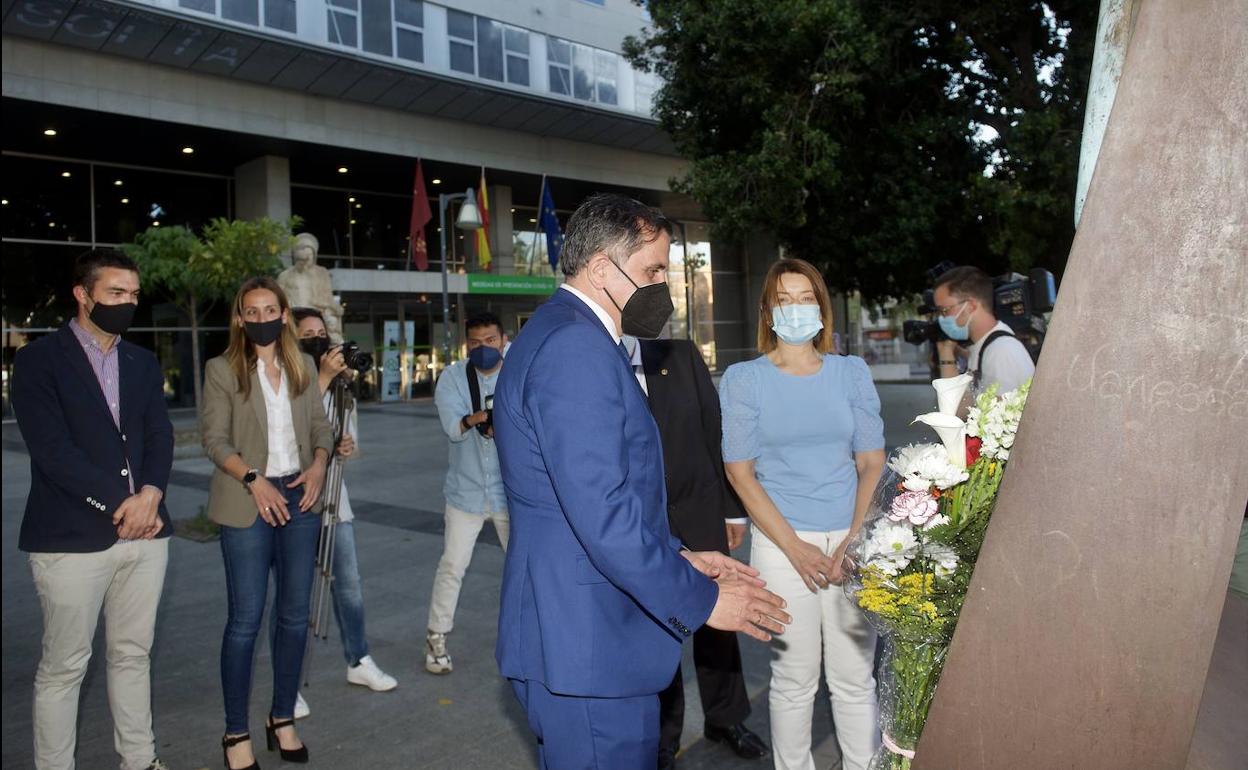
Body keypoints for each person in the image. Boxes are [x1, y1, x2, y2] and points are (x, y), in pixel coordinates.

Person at [492, 192, 790, 768]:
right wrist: (701, 601)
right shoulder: (576, 346)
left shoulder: (569, 334)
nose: (662, 287)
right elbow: (602, 513)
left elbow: (597, 497)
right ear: (602, 268)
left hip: (586, 639)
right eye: (653, 271)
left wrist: (682, 556)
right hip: (585, 646)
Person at [720, 258, 886, 770]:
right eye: (784, 300)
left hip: (851, 540)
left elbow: (871, 461)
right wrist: (795, 548)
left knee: (855, 677)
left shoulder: (851, 371)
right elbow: (740, 473)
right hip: (780, 544)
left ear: (822, 307)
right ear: (768, 311)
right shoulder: (745, 379)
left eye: (805, 298)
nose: (796, 309)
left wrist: (854, 541)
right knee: (793, 679)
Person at [12, 249, 173, 770]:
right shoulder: (38, 360)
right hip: (70, 539)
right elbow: (52, 450)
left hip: (146, 535)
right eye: (115, 293)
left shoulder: (142, 361)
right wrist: (121, 503)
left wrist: (150, 494)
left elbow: (158, 435)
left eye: (133, 294)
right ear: (83, 295)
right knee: (64, 669)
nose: (128, 303)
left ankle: (140, 760)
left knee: (132, 657)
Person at [200, 277, 334, 770]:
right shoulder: (222, 369)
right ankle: (236, 732)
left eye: (269, 310)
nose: (261, 319)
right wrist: (254, 480)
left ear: (283, 315)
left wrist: (319, 463)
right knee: (245, 620)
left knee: (295, 617)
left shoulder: (301, 367)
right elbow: (213, 439)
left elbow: (321, 426)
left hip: (299, 499)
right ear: (239, 318)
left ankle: (282, 718)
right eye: (250, 312)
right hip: (246, 501)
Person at [622, 335, 768, 768]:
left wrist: (731, 511)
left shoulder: (679, 355)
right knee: (658, 627)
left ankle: (725, 718)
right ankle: (663, 741)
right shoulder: (595, 360)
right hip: (642, 521)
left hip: (700, 509)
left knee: (719, 627)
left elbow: (712, 428)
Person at [283, 307, 397, 719]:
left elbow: (347, 439)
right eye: (306, 333)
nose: (316, 339)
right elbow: (293, 430)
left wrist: (345, 445)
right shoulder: (288, 379)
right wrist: (325, 378)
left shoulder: (343, 388)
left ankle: (358, 660)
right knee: (293, 597)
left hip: (334, 499)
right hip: (293, 499)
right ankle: (287, 686)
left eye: (320, 332)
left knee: (348, 585)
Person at [426, 311, 511, 674]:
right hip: (466, 491)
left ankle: (538, 634)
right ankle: (436, 637)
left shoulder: (518, 372)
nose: (483, 348)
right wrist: (478, 419)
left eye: (490, 341)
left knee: (527, 566)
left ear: (503, 340)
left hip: (511, 493)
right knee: (452, 566)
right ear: (466, 344)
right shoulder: (453, 378)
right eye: (475, 342)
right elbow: (452, 427)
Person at [933, 266, 1035, 395]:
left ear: (970, 306)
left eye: (944, 310)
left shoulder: (1001, 352)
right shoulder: (985, 347)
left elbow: (954, 408)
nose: (941, 318)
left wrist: (946, 356)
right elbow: (963, 406)